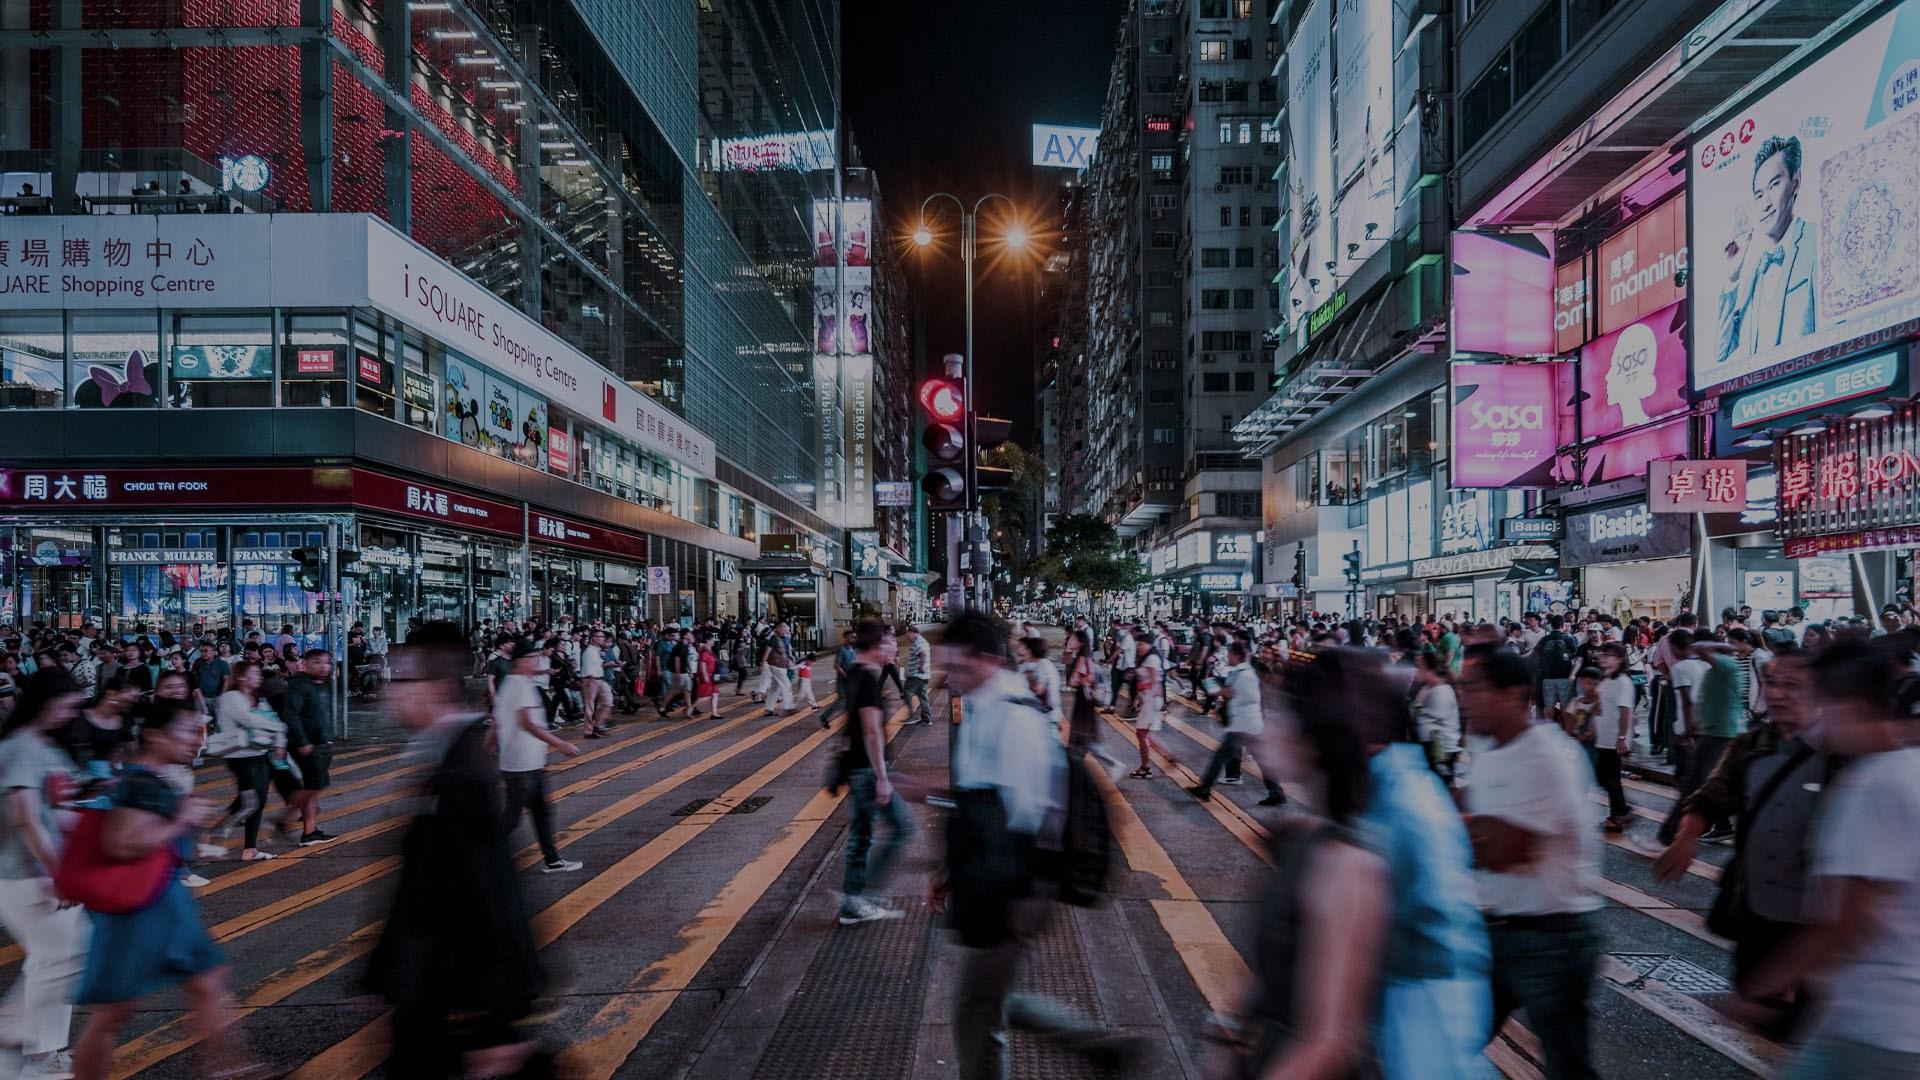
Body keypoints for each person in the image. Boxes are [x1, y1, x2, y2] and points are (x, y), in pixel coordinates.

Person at [929, 612, 1137, 1079]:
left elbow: (1029, 817)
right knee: (991, 1001)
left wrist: (1011, 898)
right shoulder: (983, 705)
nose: (953, 679)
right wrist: (949, 870)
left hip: (1015, 884)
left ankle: (1100, 1045)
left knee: (975, 1013)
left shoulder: (1014, 716)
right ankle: (1099, 1046)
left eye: (959, 667)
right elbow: (976, 798)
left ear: (986, 659)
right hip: (994, 876)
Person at [367, 622, 551, 1078]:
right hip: (436, 990)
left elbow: (490, 890)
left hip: (457, 998)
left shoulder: (462, 774)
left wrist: (490, 1016)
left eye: (402, 681)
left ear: (437, 688)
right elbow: (423, 885)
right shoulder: (441, 758)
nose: (391, 693)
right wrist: (381, 972)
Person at [1735, 637, 1920, 1076]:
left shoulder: (1872, 783)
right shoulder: (1910, 768)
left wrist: (1765, 987)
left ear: (1847, 705)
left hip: (1877, 1024)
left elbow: (1851, 920)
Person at [1204, 649, 1390, 1080]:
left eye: (1282, 714)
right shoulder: (1302, 838)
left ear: (1315, 733)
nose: (1270, 726)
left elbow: (1329, 1042)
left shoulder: (1350, 867)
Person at [70, 701, 259, 1080]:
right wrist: (181, 819)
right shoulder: (139, 781)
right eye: (188, 730)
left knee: (208, 982)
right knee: (112, 1013)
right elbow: (121, 843)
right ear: (156, 736)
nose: (197, 740)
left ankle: (235, 1068)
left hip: (164, 905)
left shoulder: (150, 778)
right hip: (138, 911)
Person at [1653, 648, 1825, 1037]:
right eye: (1773, 683)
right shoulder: (1752, 745)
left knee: (1811, 1025)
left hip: (1816, 918)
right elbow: (1712, 795)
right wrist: (1686, 837)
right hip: (1758, 909)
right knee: (1761, 1014)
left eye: (1792, 685)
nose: (1778, 693)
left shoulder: (1841, 754)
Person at [1458, 644, 1601, 1080]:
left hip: (1552, 940)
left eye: (1474, 689)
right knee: (1448, 1044)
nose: (1464, 698)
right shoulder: (1488, 749)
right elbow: (1467, 812)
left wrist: (1450, 825)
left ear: (1511, 694)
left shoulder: (1547, 754)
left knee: (1568, 1066)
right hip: (1498, 930)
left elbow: (1503, 853)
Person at [0, 670, 88, 1079]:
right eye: (67, 705)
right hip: (25, 875)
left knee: (52, 959)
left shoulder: (47, 748)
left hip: (43, 871)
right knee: (66, 955)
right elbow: (27, 820)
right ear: (45, 701)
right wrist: (60, 874)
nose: (71, 713)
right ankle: (33, 1043)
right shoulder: (21, 748)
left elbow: (58, 813)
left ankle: (25, 1049)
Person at [1716, 134, 1817, 366]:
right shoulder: (1753, 274)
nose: (1766, 203)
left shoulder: (1816, 240)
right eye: (1759, 195)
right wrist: (1732, 278)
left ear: (1796, 181)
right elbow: (1721, 350)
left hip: (1812, 388)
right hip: (1759, 396)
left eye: (1774, 185)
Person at [836, 619, 911, 925]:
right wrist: (882, 777)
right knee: (901, 829)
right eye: (892, 642)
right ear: (878, 645)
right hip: (867, 770)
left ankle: (856, 896)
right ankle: (856, 899)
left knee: (862, 835)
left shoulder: (856, 672)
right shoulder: (866, 679)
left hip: (860, 767)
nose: (895, 647)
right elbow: (871, 731)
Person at [492, 640, 583, 874]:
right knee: (512, 819)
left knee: (539, 813)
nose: (537, 661)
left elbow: (497, 722)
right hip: (523, 765)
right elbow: (527, 723)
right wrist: (560, 743)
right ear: (521, 661)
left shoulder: (512, 684)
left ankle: (552, 860)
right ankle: (480, 857)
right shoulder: (520, 685)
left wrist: (487, 752)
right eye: (533, 658)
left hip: (521, 763)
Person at [1189, 642, 1286, 806]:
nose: (1228, 658)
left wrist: (1213, 689)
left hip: (1243, 724)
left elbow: (1229, 692)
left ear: (1236, 656)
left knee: (1221, 756)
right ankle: (1276, 792)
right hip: (1249, 722)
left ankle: (1204, 789)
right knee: (1261, 759)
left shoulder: (1242, 673)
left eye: (1230, 655)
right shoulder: (1245, 671)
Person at [212, 661, 283, 863]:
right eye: (254, 673)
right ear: (241, 676)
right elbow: (248, 720)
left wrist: (278, 737)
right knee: (251, 801)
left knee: (255, 801)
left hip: (259, 754)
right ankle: (217, 831)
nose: (259, 677)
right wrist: (276, 728)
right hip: (239, 756)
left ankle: (249, 848)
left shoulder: (257, 698)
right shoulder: (230, 697)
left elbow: (273, 720)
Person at [280, 648, 337, 846]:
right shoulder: (298, 685)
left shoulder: (320, 685)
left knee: (314, 787)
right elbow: (291, 715)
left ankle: (310, 832)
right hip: (308, 745)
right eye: (317, 662)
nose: (323, 666)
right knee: (315, 786)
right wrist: (302, 741)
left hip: (320, 743)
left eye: (327, 662)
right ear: (305, 663)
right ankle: (284, 818)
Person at [1590, 643, 1634, 832]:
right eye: (1602, 654)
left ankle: (1618, 815)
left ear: (1620, 659)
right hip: (1602, 736)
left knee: (1609, 777)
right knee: (1603, 777)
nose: (1603, 657)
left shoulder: (1623, 682)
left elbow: (1625, 711)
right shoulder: (1605, 679)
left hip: (1614, 738)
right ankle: (1621, 808)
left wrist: (1622, 737)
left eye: (1608, 655)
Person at [1410, 649, 1463, 783]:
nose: (1418, 671)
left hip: (1442, 751)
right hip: (1434, 749)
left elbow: (1428, 726)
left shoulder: (1440, 692)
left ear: (1429, 668)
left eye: (1420, 667)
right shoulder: (1427, 688)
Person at [1127, 636, 1175, 780]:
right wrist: (1138, 698)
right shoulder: (1148, 658)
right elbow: (1144, 681)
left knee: (1142, 734)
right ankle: (1167, 757)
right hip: (1149, 700)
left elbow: (1155, 682)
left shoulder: (1152, 659)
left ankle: (1146, 767)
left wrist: (1148, 699)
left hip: (1151, 701)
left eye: (1141, 644)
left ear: (1149, 644)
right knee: (1145, 734)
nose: (1139, 648)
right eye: (1137, 645)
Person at [760, 621, 796, 715]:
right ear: (778, 629)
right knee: (786, 686)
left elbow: (787, 652)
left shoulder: (786, 639)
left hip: (782, 666)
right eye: (783, 627)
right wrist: (763, 663)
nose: (785, 629)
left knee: (775, 688)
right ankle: (788, 707)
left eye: (786, 628)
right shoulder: (774, 638)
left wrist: (791, 660)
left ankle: (768, 709)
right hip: (776, 666)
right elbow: (767, 651)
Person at [904, 625, 934, 725]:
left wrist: (921, 667)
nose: (907, 637)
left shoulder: (918, 642)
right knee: (923, 696)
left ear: (912, 632)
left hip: (917, 675)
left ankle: (912, 716)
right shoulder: (923, 641)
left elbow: (923, 654)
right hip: (924, 675)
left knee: (907, 692)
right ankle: (927, 719)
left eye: (908, 634)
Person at [692, 636, 722, 718]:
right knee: (706, 696)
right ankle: (690, 708)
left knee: (715, 694)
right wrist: (705, 675)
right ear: (707, 640)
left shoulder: (709, 650)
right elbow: (702, 663)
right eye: (712, 639)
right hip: (707, 676)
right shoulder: (705, 651)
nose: (713, 641)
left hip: (712, 676)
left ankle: (714, 713)